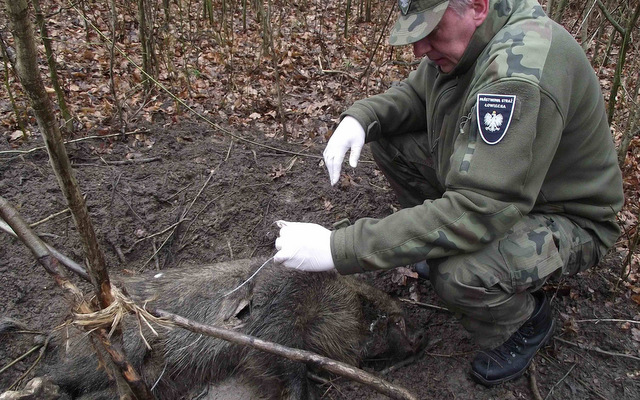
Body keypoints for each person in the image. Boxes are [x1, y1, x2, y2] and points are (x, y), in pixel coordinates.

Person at [274, 0, 624, 386]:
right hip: (508, 188)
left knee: (458, 273)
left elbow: (479, 208)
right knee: (390, 140)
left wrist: (338, 248)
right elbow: (416, 95)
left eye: (429, 31)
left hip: (568, 215)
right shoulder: (472, 40)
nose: (419, 49)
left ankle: (524, 321)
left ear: (476, 6)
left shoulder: (518, 74)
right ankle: (438, 242)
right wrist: (362, 117)